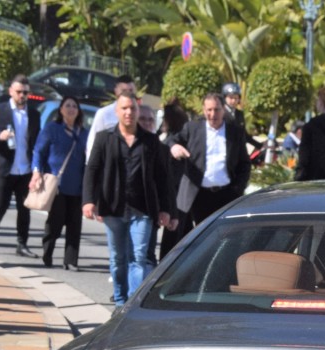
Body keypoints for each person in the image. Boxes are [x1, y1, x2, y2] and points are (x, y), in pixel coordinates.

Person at [83, 94, 172, 306]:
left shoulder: (150, 141)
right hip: (113, 207)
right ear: (117, 111)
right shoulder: (105, 138)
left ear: (138, 110)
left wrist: (166, 209)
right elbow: (92, 170)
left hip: (143, 209)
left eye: (132, 108)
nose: (128, 112)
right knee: (118, 259)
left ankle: (132, 303)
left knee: (138, 257)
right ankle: (120, 301)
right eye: (124, 108)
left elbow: (162, 176)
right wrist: (88, 200)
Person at [169, 91, 252, 229]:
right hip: (199, 194)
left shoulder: (235, 132)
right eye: (209, 110)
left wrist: (238, 188)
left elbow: (244, 163)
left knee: (225, 233)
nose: (213, 115)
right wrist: (174, 147)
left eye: (217, 110)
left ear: (223, 109)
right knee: (201, 234)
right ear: (203, 110)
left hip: (227, 194)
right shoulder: (192, 128)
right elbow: (171, 140)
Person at [0, 75, 41, 256]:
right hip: (3, 167)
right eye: (18, 92)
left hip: (24, 168)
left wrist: (37, 168)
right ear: (11, 92)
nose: (22, 95)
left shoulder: (33, 114)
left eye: (25, 92)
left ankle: (22, 244)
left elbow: (36, 141)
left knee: (25, 208)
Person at [31, 96, 88, 271]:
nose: (71, 109)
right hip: (57, 185)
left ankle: (70, 260)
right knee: (55, 222)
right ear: (61, 110)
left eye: (74, 106)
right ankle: (47, 253)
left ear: (78, 111)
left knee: (74, 224)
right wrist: (37, 172)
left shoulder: (84, 133)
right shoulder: (52, 129)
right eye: (67, 106)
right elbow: (39, 152)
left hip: (77, 185)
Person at [158, 99, 192, 258]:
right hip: (182, 190)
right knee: (180, 232)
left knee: (175, 233)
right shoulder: (175, 138)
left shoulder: (175, 138)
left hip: (178, 190)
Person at [86, 76, 135, 157]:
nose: (128, 94)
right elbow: (92, 143)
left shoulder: (141, 114)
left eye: (131, 90)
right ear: (116, 91)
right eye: (124, 91)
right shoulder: (104, 113)